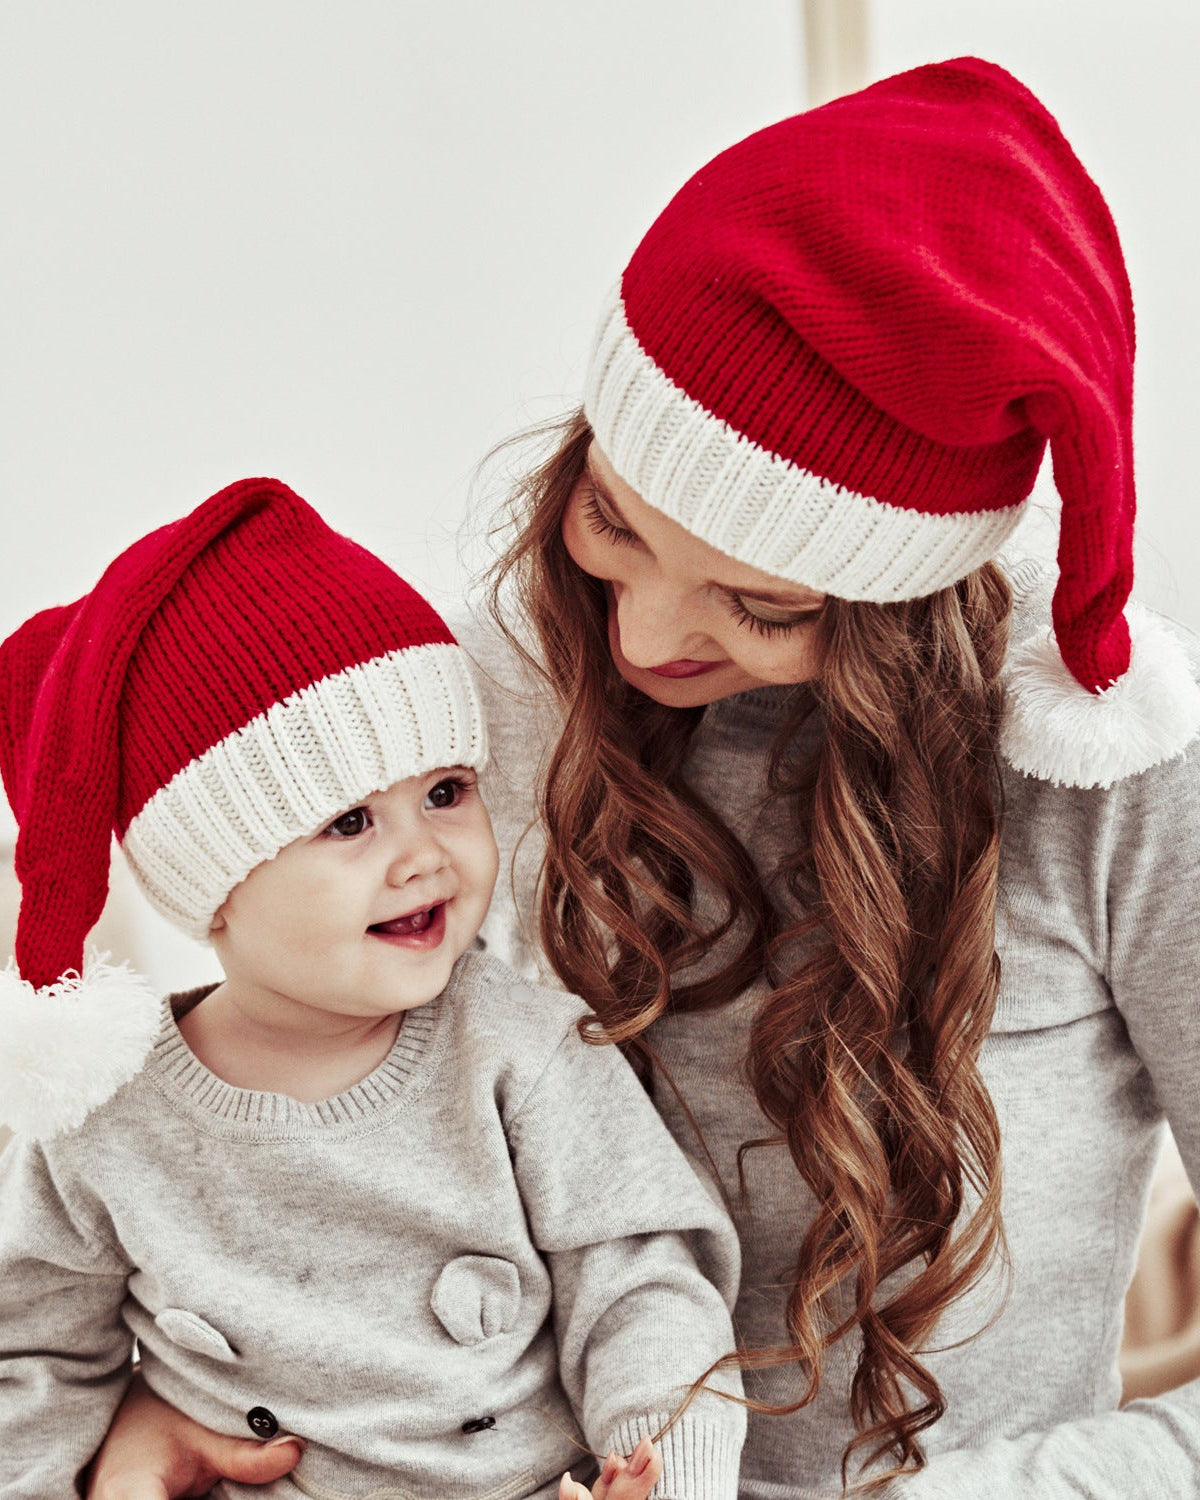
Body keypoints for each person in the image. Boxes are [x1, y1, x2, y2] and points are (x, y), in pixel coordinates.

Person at [86, 55, 1200, 1500]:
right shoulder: (477, 705)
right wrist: (160, 1402)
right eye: (614, 524)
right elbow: (291, 1113)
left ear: (903, 602)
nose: (643, 638)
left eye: (766, 605)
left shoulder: (1111, 778)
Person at [0, 478, 747, 1500]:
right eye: (350, 823)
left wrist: (668, 1471)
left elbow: (642, 1285)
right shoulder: (106, 1119)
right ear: (214, 887)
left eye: (446, 792)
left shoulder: (520, 1050)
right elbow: (31, 1358)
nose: (424, 854)